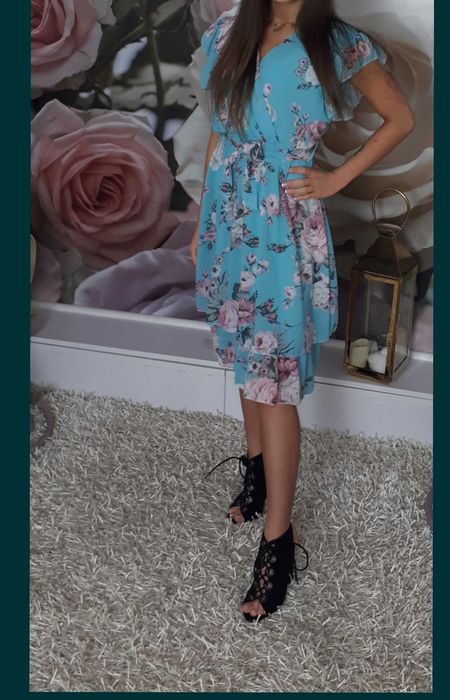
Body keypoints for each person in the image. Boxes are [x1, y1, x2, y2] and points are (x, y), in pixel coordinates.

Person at [189, 0, 415, 623]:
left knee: (276, 378)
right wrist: (203, 217)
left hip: (282, 225)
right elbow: (220, 129)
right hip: (227, 217)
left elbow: (399, 116)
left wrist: (335, 180)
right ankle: (257, 472)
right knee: (246, 356)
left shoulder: (337, 42)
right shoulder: (230, 29)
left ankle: (279, 544)